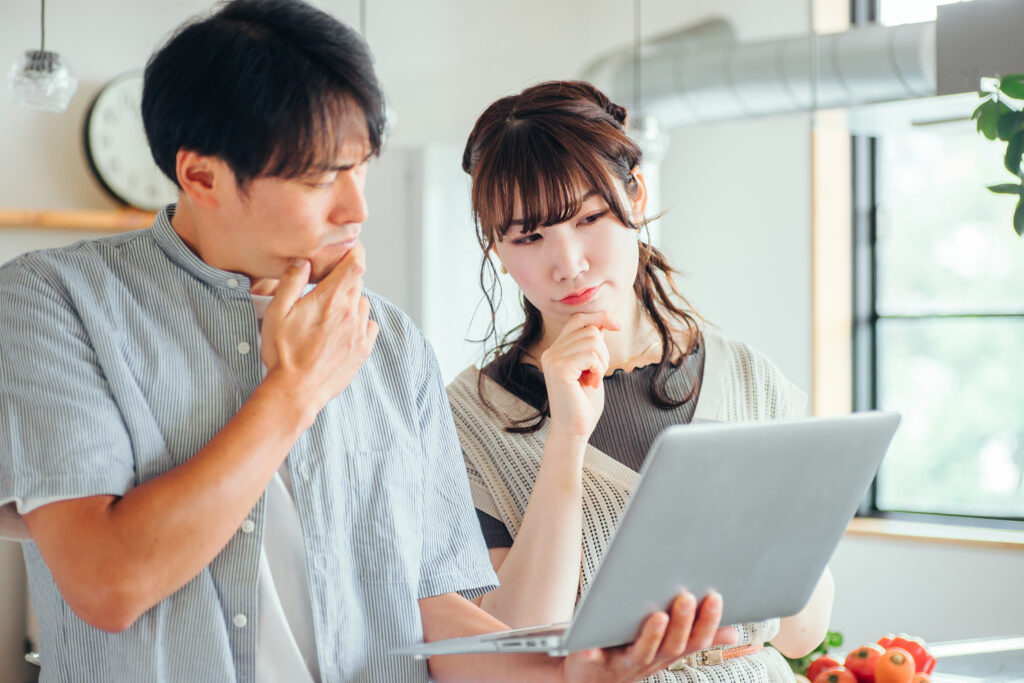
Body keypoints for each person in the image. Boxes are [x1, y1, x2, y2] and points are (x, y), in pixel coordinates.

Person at [0, 3, 732, 682]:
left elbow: (433, 616)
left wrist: (571, 673)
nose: (358, 207)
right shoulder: (56, 301)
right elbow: (107, 582)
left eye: (362, 169)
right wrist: (292, 392)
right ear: (201, 175)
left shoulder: (394, 343)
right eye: (323, 179)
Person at [447, 80, 836, 682]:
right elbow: (519, 647)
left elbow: (799, 634)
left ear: (636, 196)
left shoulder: (748, 377)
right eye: (528, 236)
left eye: (589, 217)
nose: (568, 262)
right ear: (497, 249)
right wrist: (567, 440)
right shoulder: (472, 418)